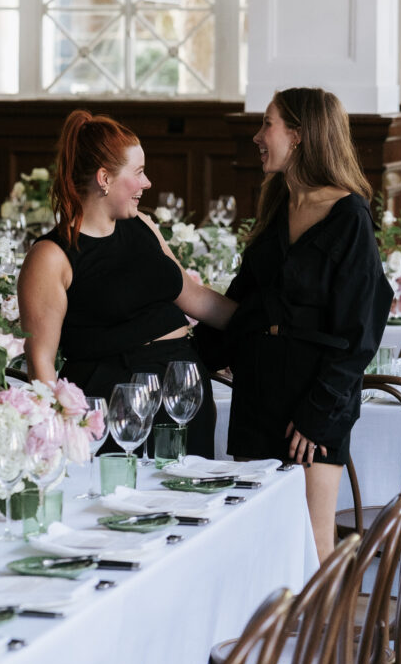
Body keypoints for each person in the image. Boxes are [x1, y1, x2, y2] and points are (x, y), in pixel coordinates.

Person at [197, 88, 393, 561]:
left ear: (299, 135)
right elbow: (244, 307)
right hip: (257, 392)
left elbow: (359, 333)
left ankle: (320, 638)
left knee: (311, 547)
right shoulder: (275, 205)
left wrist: (317, 413)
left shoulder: (350, 216)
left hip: (313, 399)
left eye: (267, 124)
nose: (256, 135)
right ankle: (267, 638)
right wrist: (185, 350)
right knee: (257, 542)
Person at [17, 109, 237, 458]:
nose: (147, 183)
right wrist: (58, 439)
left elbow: (194, 296)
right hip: (116, 397)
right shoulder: (51, 255)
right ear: (104, 178)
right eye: (138, 173)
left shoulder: (142, 226)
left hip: (182, 384)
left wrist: (264, 322)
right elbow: (41, 362)